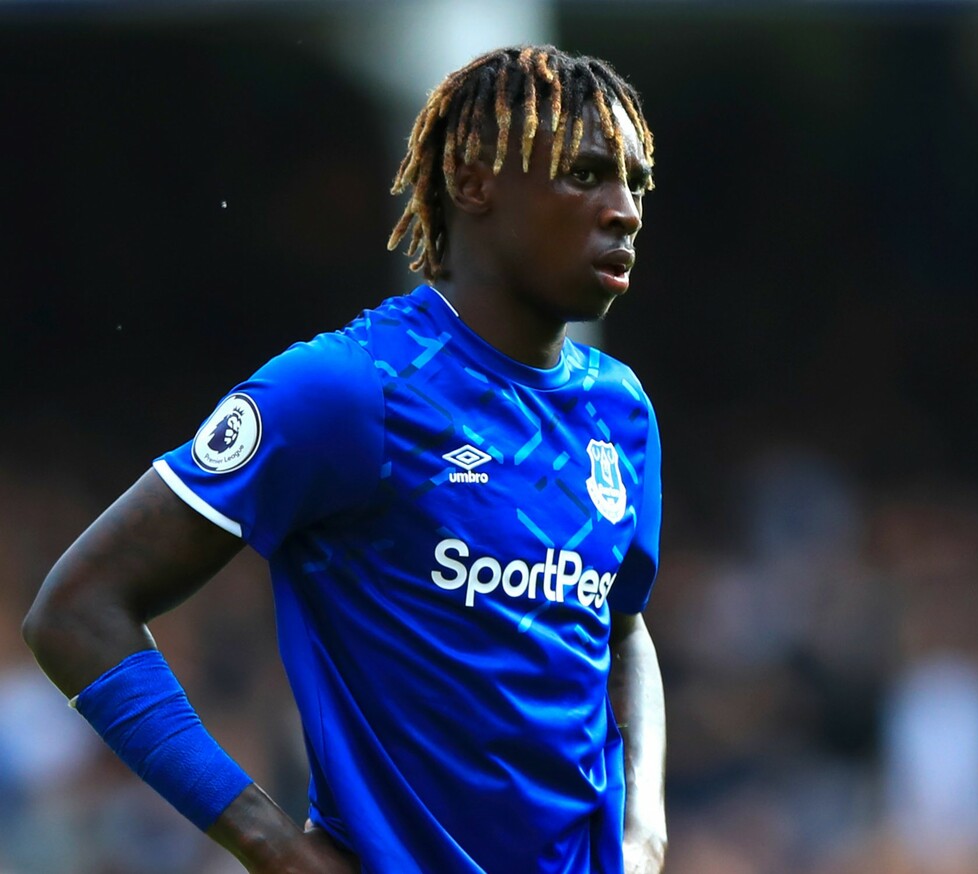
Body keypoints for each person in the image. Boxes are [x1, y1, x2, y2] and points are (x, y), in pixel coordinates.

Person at [23, 44, 667, 874]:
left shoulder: (619, 410)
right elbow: (77, 610)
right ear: (474, 183)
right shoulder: (353, 388)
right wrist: (270, 845)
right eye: (585, 175)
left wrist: (644, 825)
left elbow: (623, 628)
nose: (625, 211)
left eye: (636, 184)